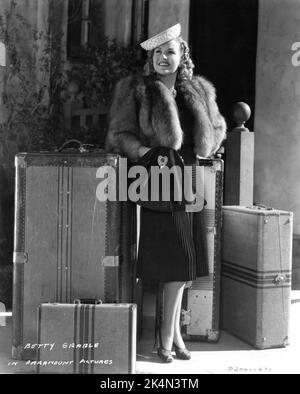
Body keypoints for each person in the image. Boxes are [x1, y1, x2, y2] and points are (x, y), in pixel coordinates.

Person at [105, 23, 226, 363]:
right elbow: (119, 133)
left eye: (170, 52)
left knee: (186, 268)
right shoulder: (138, 89)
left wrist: (209, 142)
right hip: (157, 180)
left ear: (182, 56)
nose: (162, 57)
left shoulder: (198, 90)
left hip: (187, 179)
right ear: (151, 58)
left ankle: (173, 336)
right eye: (157, 52)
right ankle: (165, 340)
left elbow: (216, 130)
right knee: (174, 266)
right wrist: (145, 152)